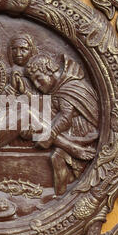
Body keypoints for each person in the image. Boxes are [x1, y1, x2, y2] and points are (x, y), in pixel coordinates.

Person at [14, 53, 99, 195]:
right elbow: (49, 108)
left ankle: (61, 194)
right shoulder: (60, 87)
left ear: (49, 71)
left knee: (56, 158)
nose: (37, 85)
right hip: (70, 133)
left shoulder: (68, 88)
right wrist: (26, 93)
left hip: (83, 132)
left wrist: (51, 135)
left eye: (38, 79)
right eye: (33, 81)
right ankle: (61, 193)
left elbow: (65, 118)